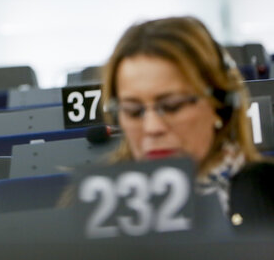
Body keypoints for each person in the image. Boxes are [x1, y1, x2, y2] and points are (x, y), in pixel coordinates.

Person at [100, 16, 274, 232]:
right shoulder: (97, 208)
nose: (152, 127)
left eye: (173, 106)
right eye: (133, 111)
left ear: (220, 104)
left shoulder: (267, 196)